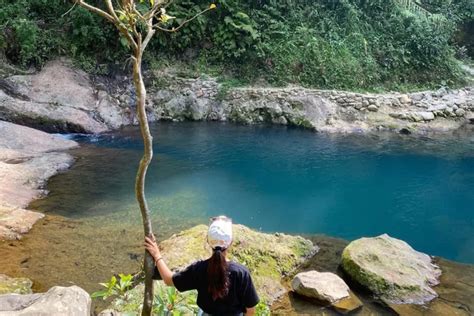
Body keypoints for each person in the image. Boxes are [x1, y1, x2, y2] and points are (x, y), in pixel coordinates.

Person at [144, 216, 259, 316]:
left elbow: (169, 280)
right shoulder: (242, 273)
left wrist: (157, 254)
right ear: (231, 242)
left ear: (208, 242)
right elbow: (250, 310)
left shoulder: (198, 269)